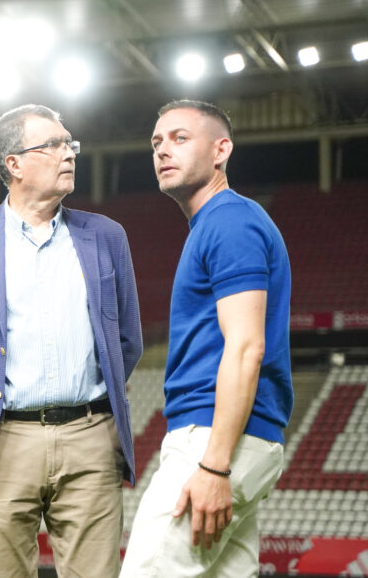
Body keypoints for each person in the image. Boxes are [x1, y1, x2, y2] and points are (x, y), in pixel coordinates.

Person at [0, 104, 143, 577]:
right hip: (2, 439)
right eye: (53, 144)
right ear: (14, 163)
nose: (68, 154)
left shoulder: (107, 236)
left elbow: (127, 340)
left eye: (71, 144)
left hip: (91, 437)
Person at [121, 100, 293, 577]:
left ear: (221, 150)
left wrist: (215, 466)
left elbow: (246, 346)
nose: (162, 151)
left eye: (179, 138)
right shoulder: (215, 224)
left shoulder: (229, 221)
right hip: (239, 440)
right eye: (156, 142)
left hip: (216, 441)